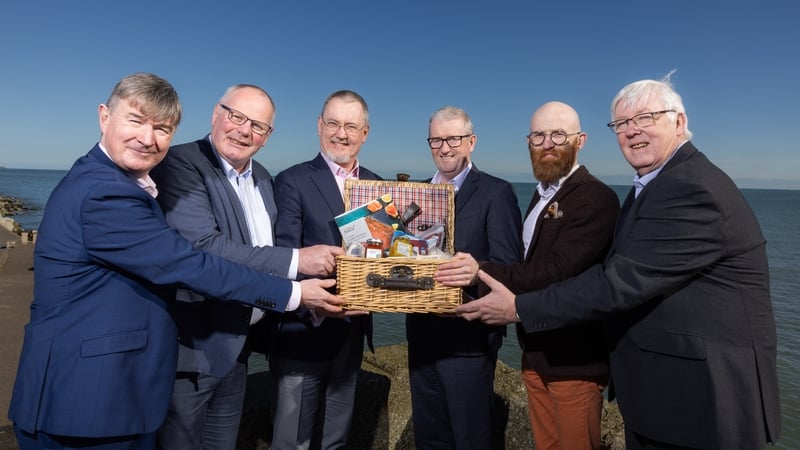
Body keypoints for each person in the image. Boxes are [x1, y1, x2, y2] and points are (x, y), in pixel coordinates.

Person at [7, 73, 345, 450]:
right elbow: (192, 261)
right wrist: (295, 292)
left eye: (162, 129)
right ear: (105, 117)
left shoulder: (127, 182)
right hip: (87, 400)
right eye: (135, 121)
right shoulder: (105, 194)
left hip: (157, 377)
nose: (148, 138)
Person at [456, 78, 781, 449]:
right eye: (622, 123)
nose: (632, 130)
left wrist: (515, 307)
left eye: (646, 117)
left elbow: (616, 283)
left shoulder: (692, 188)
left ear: (679, 122)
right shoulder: (654, 186)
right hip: (664, 392)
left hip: (700, 400)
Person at [149, 84, 344, 450]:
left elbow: (265, 250)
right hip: (191, 353)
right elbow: (206, 248)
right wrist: (299, 265)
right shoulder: (178, 163)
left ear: (267, 137)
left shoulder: (263, 179)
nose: (243, 130)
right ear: (215, 114)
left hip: (238, 350)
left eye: (257, 125)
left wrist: (319, 294)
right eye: (236, 116)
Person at [436, 101, 619, 449]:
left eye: (558, 134)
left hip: (574, 363)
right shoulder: (543, 194)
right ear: (528, 142)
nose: (547, 143)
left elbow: (555, 271)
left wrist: (479, 270)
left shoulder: (597, 198)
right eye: (538, 136)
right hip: (536, 354)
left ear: (580, 140)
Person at [406, 106, 522, 449]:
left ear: (470, 142)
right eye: (437, 139)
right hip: (421, 336)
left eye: (453, 138)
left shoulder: (496, 192)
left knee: (471, 439)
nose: (445, 147)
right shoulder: (417, 193)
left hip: (469, 342)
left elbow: (510, 268)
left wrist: (474, 273)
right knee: (429, 438)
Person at [269, 90, 379, 449]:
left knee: (336, 439)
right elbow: (282, 254)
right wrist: (310, 302)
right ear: (319, 126)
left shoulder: (379, 185)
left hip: (352, 332)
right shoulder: (293, 179)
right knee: (292, 440)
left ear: (365, 132)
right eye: (333, 123)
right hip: (303, 331)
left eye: (351, 126)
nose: (341, 134)